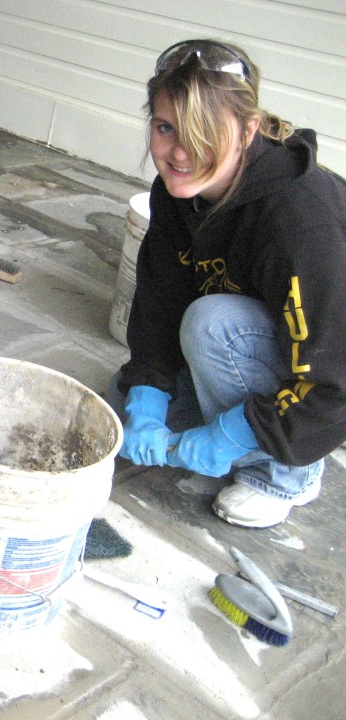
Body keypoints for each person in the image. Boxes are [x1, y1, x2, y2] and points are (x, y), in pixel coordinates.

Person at [110, 39, 346, 528]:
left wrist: (232, 434)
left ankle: (287, 474)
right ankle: (250, 425)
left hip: (330, 367)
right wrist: (148, 398)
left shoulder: (299, 218)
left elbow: (333, 380)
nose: (179, 153)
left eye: (205, 133)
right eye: (165, 127)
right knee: (123, 402)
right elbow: (158, 301)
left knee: (214, 325)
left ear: (249, 129)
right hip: (272, 337)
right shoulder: (177, 192)